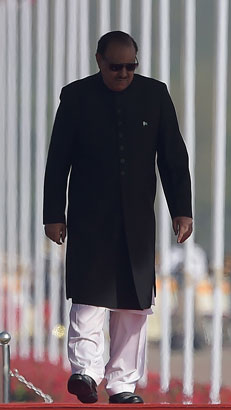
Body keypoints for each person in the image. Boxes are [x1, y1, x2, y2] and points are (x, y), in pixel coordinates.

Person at [43, 31, 193, 404]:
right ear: (99, 61)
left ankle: (123, 383)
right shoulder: (76, 97)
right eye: (115, 67)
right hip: (88, 216)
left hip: (138, 219)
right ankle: (86, 372)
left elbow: (173, 157)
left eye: (130, 66)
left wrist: (182, 209)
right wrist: (53, 214)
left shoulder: (155, 95)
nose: (123, 73)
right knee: (89, 298)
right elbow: (58, 160)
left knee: (133, 303)